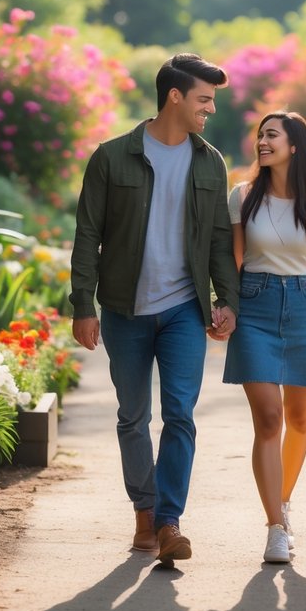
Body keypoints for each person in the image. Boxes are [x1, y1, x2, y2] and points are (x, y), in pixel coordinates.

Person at [69, 52, 239, 567]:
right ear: (175, 97)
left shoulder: (210, 162)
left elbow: (216, 239)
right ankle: (144, 513)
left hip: (185, 311)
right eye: (204, 99)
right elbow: (88, 234)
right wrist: (83, 304)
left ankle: (168, 522)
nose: (210, 109)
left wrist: (225, 299)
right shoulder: (112, 157)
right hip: (125, 310)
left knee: (181, 415)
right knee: (133, 416)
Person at [223, 111, 306, 564]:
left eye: (271, 135)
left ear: (294, 145)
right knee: (269, 419)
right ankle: (275, 527)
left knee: (300, 421)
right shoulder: (242, 197)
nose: (262, 141)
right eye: (260, 135)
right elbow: (234, 261)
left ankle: (283, 501)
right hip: (255, 306)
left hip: (302, 309)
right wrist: (223, 308)